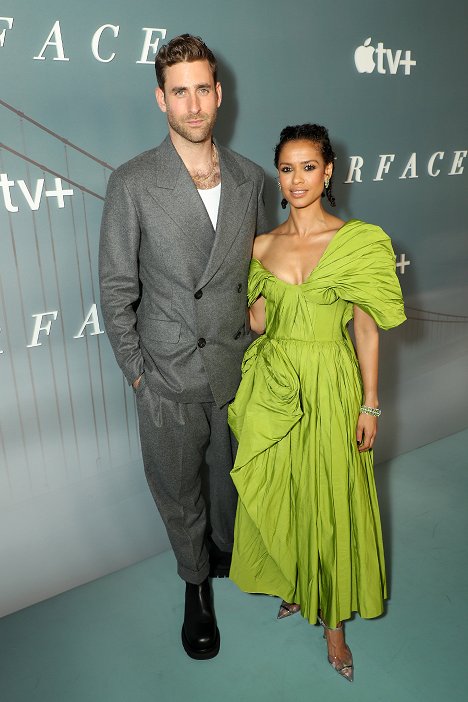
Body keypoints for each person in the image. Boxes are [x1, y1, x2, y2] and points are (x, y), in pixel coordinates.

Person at [99, 34, 267, 660]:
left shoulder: (251, 179)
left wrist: (259, 319)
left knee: (228, 485)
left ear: (219, 94)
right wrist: (140, 375)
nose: (193, 105)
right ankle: (196, 589)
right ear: (160, 100)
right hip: (166, 375)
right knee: (178, 492)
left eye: (203, 89)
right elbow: (117, 288)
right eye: (179, 92)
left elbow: (254, 275)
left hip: (232, 366)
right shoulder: (133, 182)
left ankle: (223, 555)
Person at [228, 124, 405, 682]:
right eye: (287, 168)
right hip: (277, 384)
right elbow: (258, 322)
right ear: (277, 177)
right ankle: (300, 586)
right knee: (291, 489)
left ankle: (334, 623)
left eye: (309, 167)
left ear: (329, 172)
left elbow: (367, 330)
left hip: (332, 384)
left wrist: (370, 405)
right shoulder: (258, 246)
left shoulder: (358, 242)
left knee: (333, 495)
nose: (298, 178)